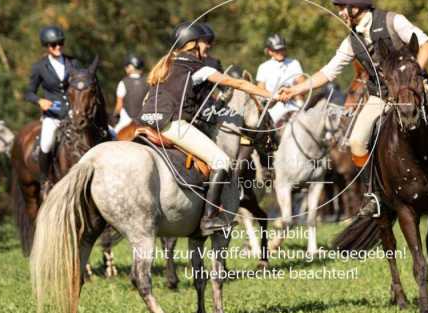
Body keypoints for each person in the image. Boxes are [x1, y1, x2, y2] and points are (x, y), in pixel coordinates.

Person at [277, 0, 428, 214]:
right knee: (356, 142)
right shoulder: (351, 41)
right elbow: (328, 72)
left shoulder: (394, 21)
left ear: (356, 8)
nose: (340, 13)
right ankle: (373, 194)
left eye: (342, 7)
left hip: (414, 90)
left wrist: (414, 76)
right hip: (380, 97)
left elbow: (427, 45)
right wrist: (296, 90)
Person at [140, 22, 275, 234]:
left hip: (149, 122)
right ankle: (209, 218)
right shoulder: (198, 67)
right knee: (221, 161)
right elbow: (237, 84)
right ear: (192, 44)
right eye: (205, 44)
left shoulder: (167, 64)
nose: (207, 49)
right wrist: (270, 95)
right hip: (172, 125)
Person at [24, 25, 78, 194]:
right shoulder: (39, 67)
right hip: (53, 115)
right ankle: (45, 180)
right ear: (46, 46)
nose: (57, 47)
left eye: (60, 43)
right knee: (46, 144)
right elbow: (28, 93)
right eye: (53, 45)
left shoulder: (73, 62)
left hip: (74, 113)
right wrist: (39, 100)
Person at [255, 34, 306, 126]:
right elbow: (260, 92)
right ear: (269, 51)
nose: (280, 52)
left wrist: (291, 90)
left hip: (293, 105)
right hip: (272, 108)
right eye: (276, 50)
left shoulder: (294, 63)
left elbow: (303, 85)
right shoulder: (263, 67)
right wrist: (276, 96)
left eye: (282, 49)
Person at [112, 53, 149, 134]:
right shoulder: (148, 82)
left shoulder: (123, 82)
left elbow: (119, 106)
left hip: (127, 120)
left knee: (113, 136)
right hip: (145, 120)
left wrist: (114, 117)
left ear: (130, 67)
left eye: (127, 66)